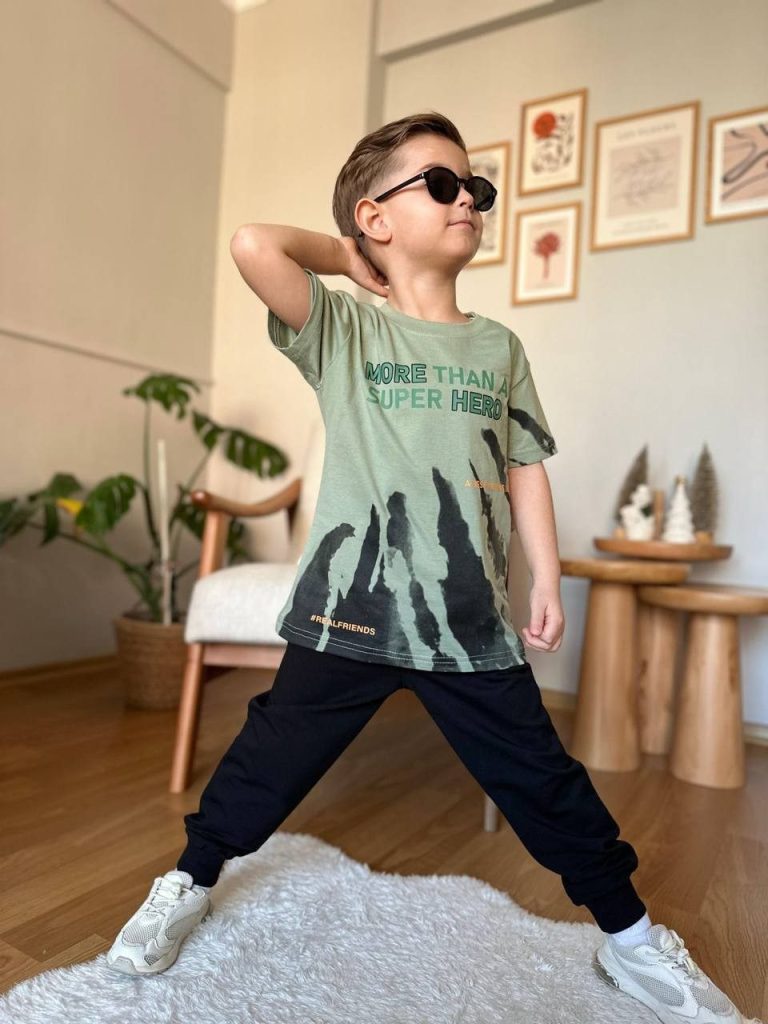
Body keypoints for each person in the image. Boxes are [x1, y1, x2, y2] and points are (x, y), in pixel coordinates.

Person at [105, 111, 757, 1024]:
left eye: (476, 189)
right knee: (267, 760)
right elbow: (256, 244)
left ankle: (633, 940)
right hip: (349, 609)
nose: (469, 201)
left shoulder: (498, 348)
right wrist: (352, 260)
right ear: (374, 218)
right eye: (442, 185)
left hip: (467, 620)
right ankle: (189, 880)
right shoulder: (343, 329)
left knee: (543, 779)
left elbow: (525, 468)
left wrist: (545, 579)